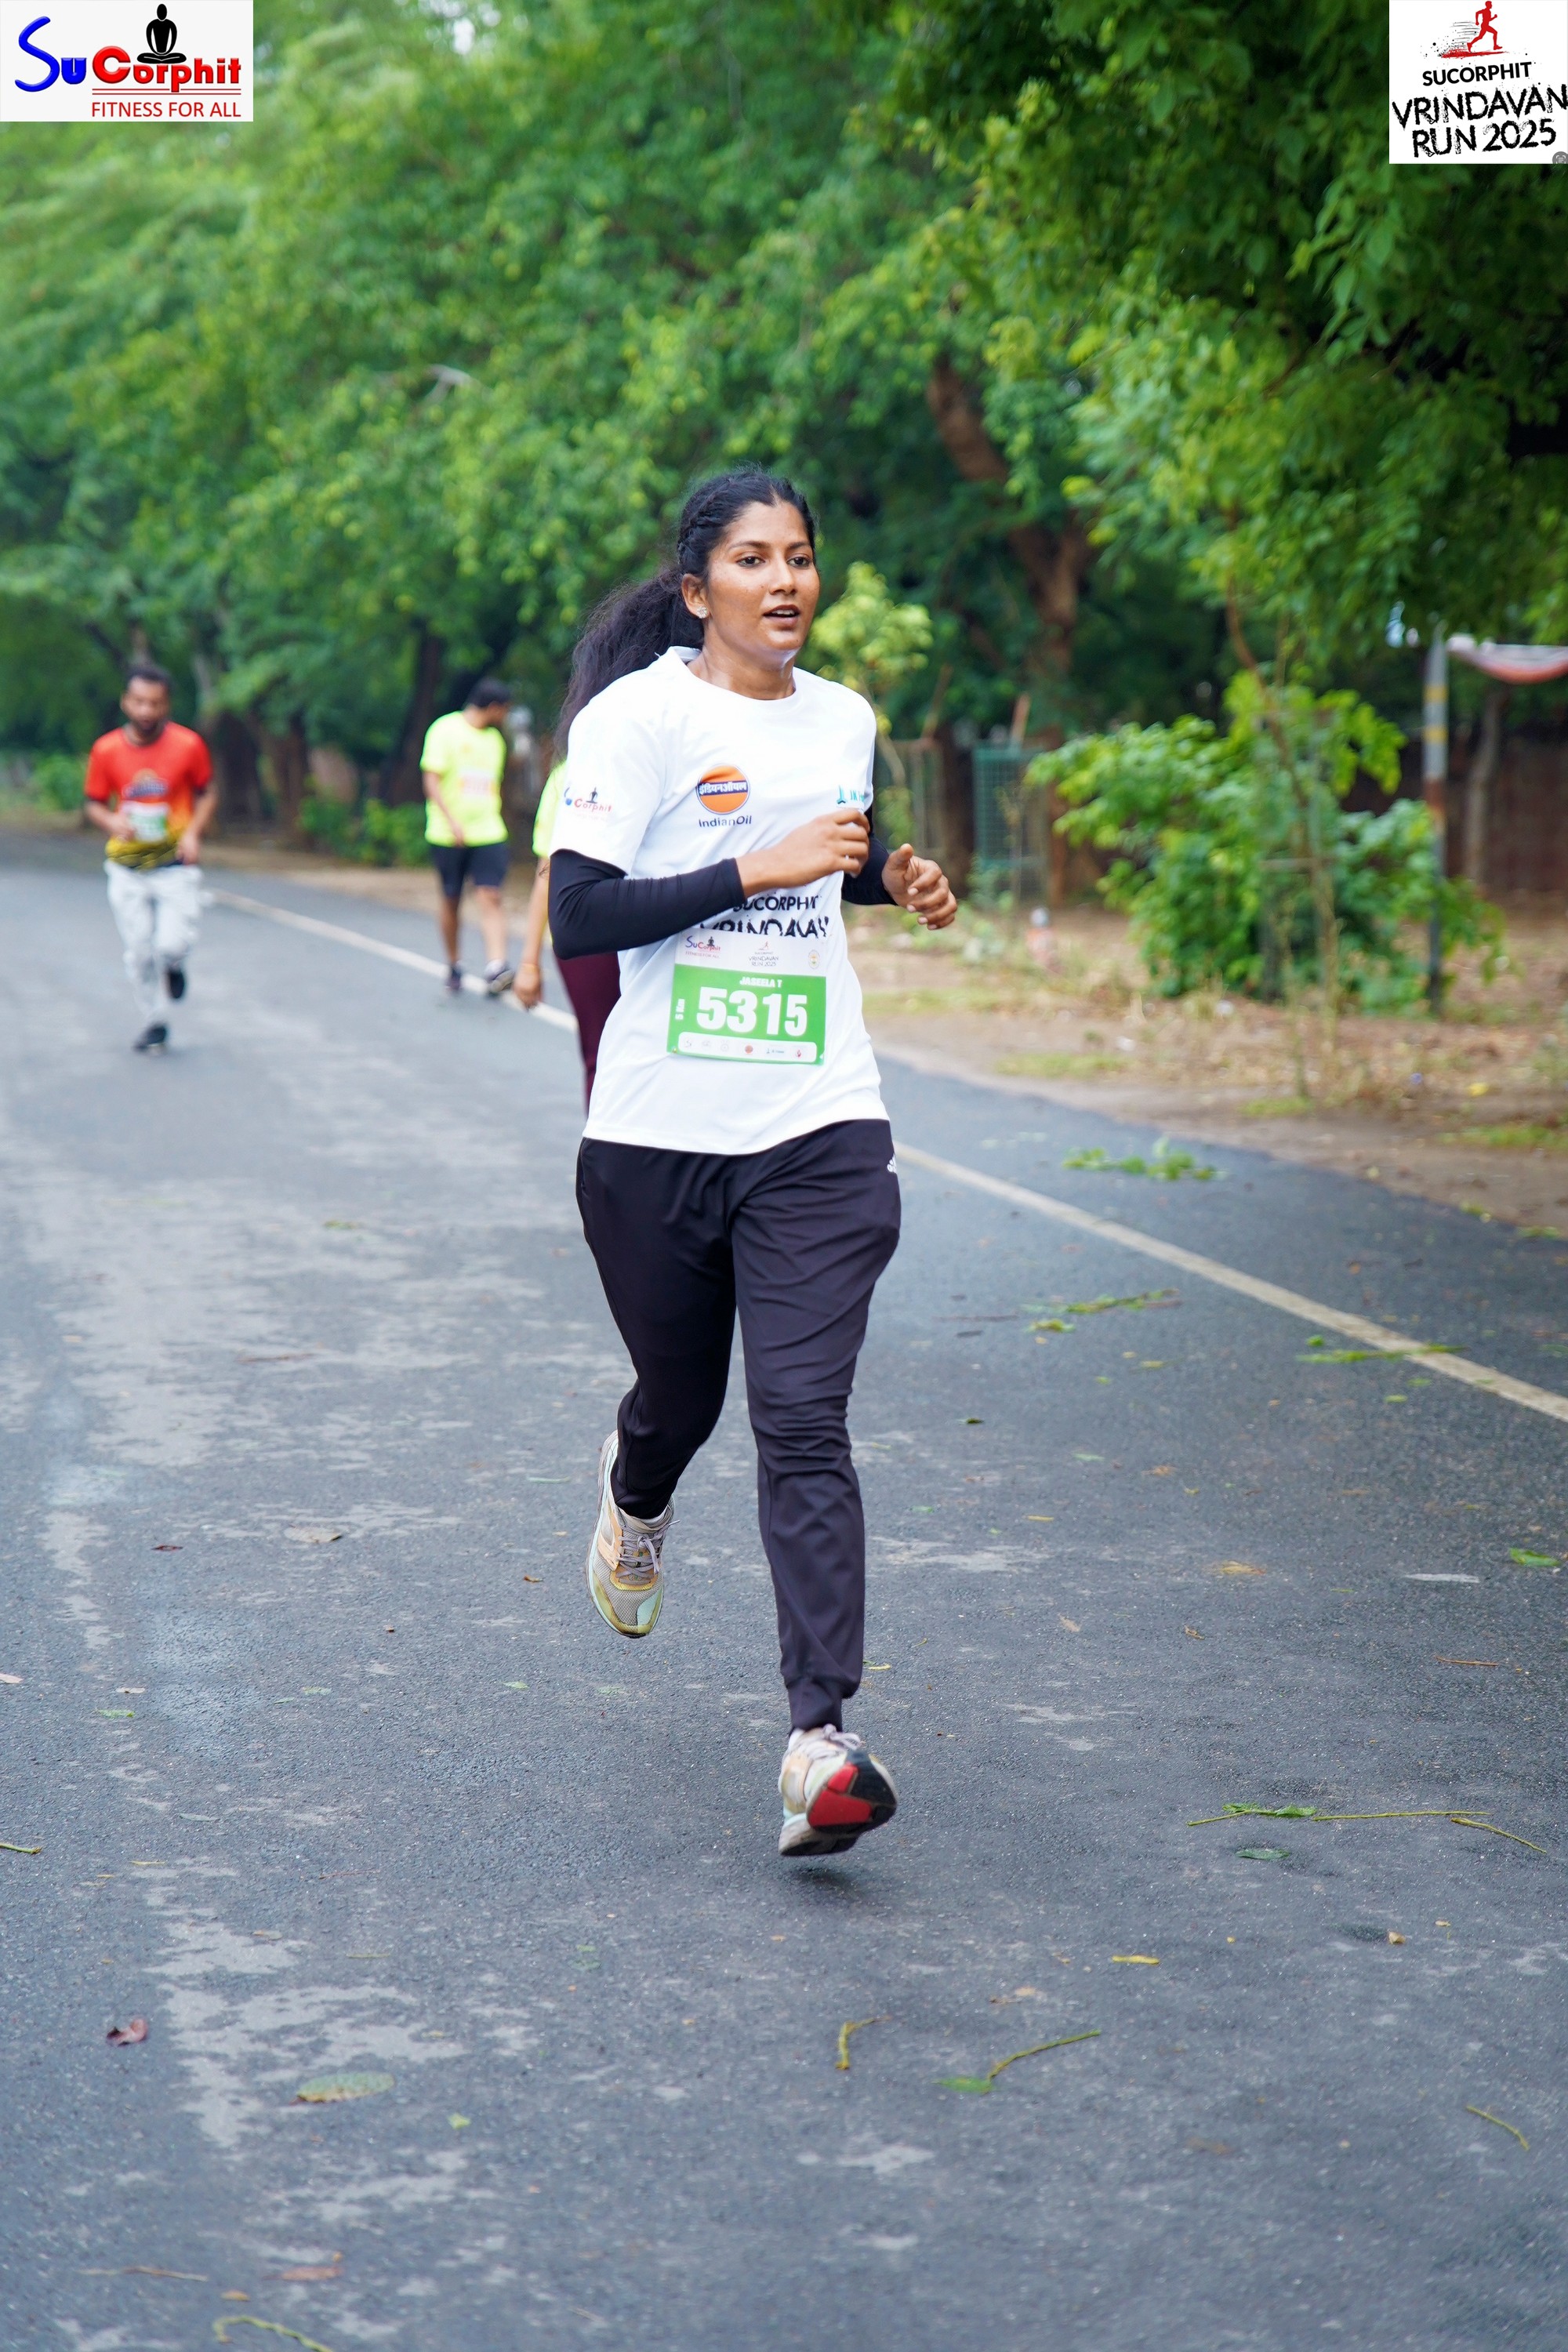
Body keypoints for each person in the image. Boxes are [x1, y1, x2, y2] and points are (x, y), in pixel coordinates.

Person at [549, 467, 957, 1860]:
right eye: (753, 559)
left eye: (801, 557)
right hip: (658, 1136)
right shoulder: (636, 719)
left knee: (803, 1418)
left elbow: (825, 857)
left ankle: (818, 1739)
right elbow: (583, 911)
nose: (785, 581)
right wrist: (756, 868)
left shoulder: (843, 717)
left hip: (819, 1122)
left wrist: (886, 877)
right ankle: (636, 1489)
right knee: (681, 1398)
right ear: (696, 588)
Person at [84, 662, 214, 1052]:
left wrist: (192, 833)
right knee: (140, 951)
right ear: (126, 702)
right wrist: (111, 821)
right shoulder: (106, 750)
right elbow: (93, 803)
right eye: (139, 702)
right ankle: (154, 1020)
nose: (146, 710)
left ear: (166, 705)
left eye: (155, 703)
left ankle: (174, 966)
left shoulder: (188, 745)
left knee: (170, 946)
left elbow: (208, 792)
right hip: (127, 867)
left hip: (174, 864)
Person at [514, 760, 621, 1106]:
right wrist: (529, 963)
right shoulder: (569, 775)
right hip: (589, 938)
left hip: (657, 930)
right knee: (601, 1055)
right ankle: (601, 1140)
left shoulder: (668, 760)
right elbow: (548, 872)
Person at [421, 679, 516, 996]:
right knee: (451, 898)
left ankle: (496, 967)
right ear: (494, 708)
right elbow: (432, 780)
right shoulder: (444, 729)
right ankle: (453, 963)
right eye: (504, 710)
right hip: (448, 834)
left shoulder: (495, 741)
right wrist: (452, 821)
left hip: (488, 831)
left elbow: (493, 785)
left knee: (491, 894)